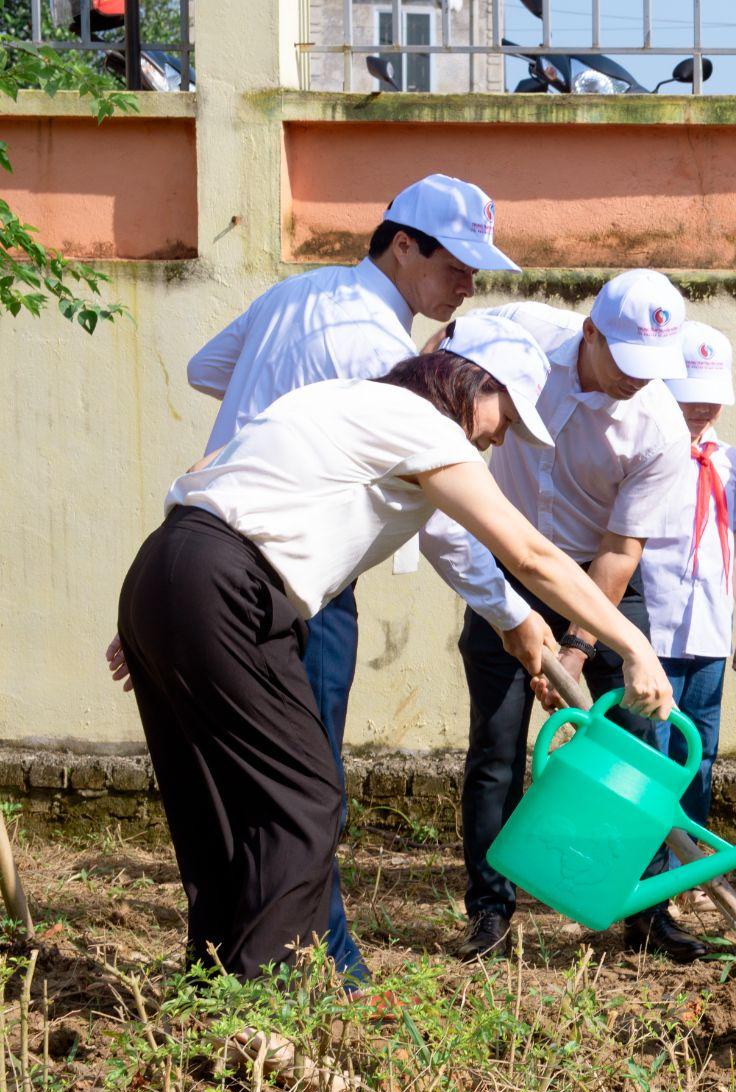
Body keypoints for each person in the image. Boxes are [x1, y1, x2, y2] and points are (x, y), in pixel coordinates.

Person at [113, 316, 670, 983]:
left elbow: (207, 473)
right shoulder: (424, 426)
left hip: (168, 568)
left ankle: (211, 983)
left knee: (215, 797)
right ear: (471, 383)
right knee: (306, 798)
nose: (498, 437)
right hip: (231, 585)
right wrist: (632, 641)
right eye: (505, 415)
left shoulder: (338, 402)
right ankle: (260, 1002)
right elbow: (526, 552)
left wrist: (166, 604)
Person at [120, 173, 536, 983]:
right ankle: (317, 965)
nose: (467, 285)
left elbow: (209, 367)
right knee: (304, 787)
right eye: (456, 263)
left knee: (244, 785)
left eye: (477, 271)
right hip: (291, 577)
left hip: (203, 539)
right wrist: (513, 618)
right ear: (402, 244)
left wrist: (275, 404)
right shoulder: (384, 358)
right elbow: (453, 523)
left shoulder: (297, 292)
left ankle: (250, 966)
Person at [419, 271, 704, 964]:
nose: (640, 380)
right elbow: (436, 357)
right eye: (628, 361)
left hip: (595, 581)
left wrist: (574, 652)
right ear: (590, 334)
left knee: (636, 742)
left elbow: (619, 549)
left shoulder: (660, 426)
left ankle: (646, 909)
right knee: (496, 744)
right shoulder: (520, 332)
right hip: (501, 569)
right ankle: (489, 910)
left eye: (653, 366)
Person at [641, 321, 736, 843]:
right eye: (690, 397)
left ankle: (692, 860)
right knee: (652, 746)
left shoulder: (735, 466)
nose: (701, 410)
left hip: (708, 633)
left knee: (702, 748)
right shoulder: (643, 456)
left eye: (711, 399)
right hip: (651, 632)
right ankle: (647, 857)